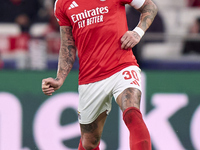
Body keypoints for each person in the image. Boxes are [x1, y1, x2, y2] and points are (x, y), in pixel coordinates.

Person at [42, 0, 157, 149]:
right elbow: (68, 44)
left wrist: (137, 32)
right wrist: (59, 78)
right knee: (89, 142)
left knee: (132, 111)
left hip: (122, 65)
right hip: (90, 77)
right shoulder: (62, 3)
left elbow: (150, 6)